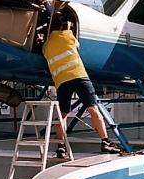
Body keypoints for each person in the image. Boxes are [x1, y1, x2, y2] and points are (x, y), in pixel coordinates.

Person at [42, 13, 120, 158]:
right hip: (79, 76)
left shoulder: (46, 46)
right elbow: (77, 45)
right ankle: (105, 141)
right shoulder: (67, 35)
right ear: (61, 26)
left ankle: (61, 146)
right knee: (93, 109)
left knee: (62, 115)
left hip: (61, 82)